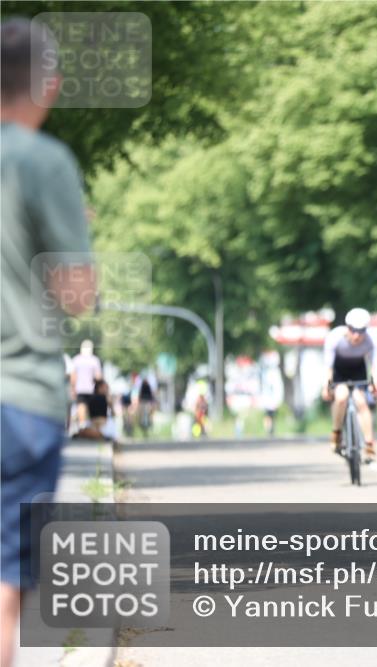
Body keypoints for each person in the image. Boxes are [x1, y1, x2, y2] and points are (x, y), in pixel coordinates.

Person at [1, 18, 95, 667]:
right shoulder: (44, 162)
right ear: (49, 86)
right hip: (20, 400)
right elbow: (76, 295)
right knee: (5, 594)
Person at [321, 308, 377, 462]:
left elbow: (376, 366)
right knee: (341, 397)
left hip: (358, 370)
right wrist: (326, 387)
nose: (357, 335)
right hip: (339, 370)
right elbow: (327, 367)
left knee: (361, 401)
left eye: (361, 331)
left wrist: (375, 386)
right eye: (353, 330)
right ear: (347, 327)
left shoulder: (372, 339)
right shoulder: (334, 337)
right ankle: (336, 434)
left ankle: (369, 445)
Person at [69, 339, 102, 432]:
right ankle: (91, 427)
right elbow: (98, 376)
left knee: (81, 405)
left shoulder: (76, 359)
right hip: (92, 388)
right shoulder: (94, 360)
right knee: (91, 407)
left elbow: (73, 376)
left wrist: (72, 388)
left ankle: (82, 425)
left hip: (80, 388)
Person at [259, 356, 284, 437]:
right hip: (269, 399)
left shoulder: (267, 374)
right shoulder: (269, 374)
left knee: (269, 415)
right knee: (269, 415)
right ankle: (269, 429)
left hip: (270, 400)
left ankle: (270, 429)